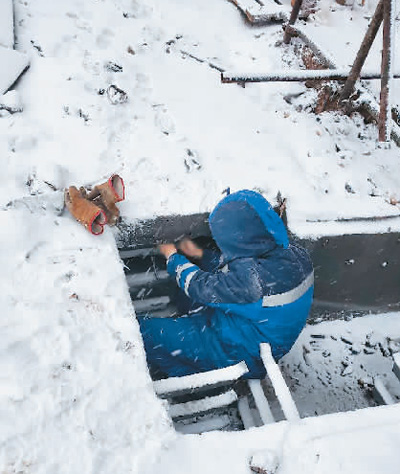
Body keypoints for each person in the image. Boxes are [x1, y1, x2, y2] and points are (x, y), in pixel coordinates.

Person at [138, 190, 314, 379]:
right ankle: (187, 357)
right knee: (190, 305)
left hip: (241, 354)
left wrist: (172, 256)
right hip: (257, 335)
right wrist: (201, 254)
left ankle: (194, 378)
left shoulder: (251, 284)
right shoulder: (295, 254)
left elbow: (197, 285)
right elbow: (244, 272)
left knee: (141, 332)